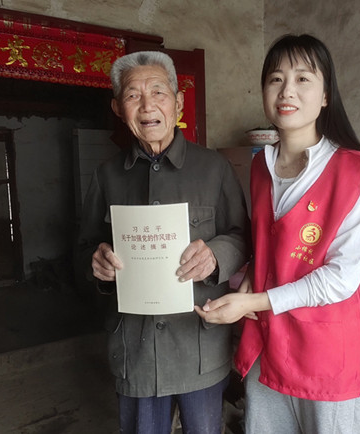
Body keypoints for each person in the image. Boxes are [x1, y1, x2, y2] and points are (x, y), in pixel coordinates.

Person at [195, 34, 360, 434]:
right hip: (270, 344)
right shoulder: (261, 166)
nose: (287, 90)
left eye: (303, 78)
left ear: (326, 95)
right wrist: (250, 281)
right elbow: (268, 243)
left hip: (326, 355)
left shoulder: (356, 171)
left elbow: (342, 278)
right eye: (276, 78)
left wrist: (254, 300)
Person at [77, 50, 250, 434]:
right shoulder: (106, 176)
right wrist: (96, 262)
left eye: (158, 92)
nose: (147, 105)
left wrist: (216, 255)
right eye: (133, 95)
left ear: (178, 102)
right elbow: (83, 248)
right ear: (118, 109)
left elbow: (243, 236)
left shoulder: (215, 168)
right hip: (135, 351)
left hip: (199, 347)